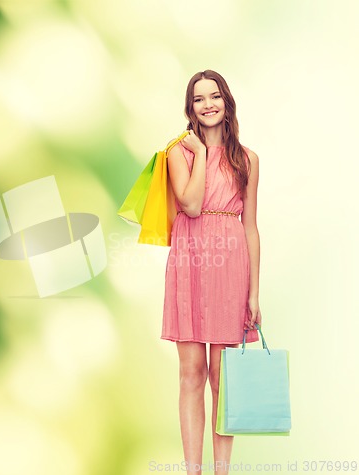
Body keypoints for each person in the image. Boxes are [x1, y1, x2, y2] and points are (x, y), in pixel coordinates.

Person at [161, 70, 262, 475]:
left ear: (226, 102)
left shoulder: (248, 159)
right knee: (191, 373)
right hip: (189, 262)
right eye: (199, 99)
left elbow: (251, 227)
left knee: (223, 378)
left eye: (214, 96)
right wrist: (201, 153)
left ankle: (222, 470)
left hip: (231, 268)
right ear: (190, 108)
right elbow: (189, 205)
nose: (208, 104)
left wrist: (255, 293)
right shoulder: (177, 153)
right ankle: (193, 470)